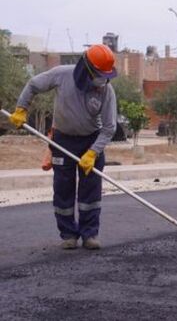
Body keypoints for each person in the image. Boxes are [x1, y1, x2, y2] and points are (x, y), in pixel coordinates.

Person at [8, 44, 118, 250]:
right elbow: (33, 85)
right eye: (98, 75)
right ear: (86, 69)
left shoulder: (106, 90)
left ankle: (89, 234)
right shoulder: (61, 75)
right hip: (63, 140)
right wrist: (22, 108)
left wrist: (94, 152)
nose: (102, 80)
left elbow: (109, 128)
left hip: (91, 141)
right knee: (63, 188)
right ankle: (68, 234)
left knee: (90, 191)